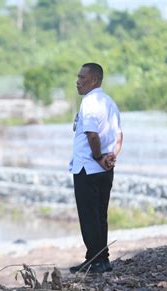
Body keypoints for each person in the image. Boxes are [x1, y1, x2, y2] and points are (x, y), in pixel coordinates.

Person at [68, 63, 123, 274]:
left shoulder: (90, 102)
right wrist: (112, 157)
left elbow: (92, 134)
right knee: (100, 215)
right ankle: (101, 259)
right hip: (104, 170)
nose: (78, 81)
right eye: (78, 76)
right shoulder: (109, 102)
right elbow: (119, 136)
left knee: (89, 216)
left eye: (82, 77)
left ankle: (96, 261)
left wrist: (100, 157)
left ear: (94, 81)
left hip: (88, 168)